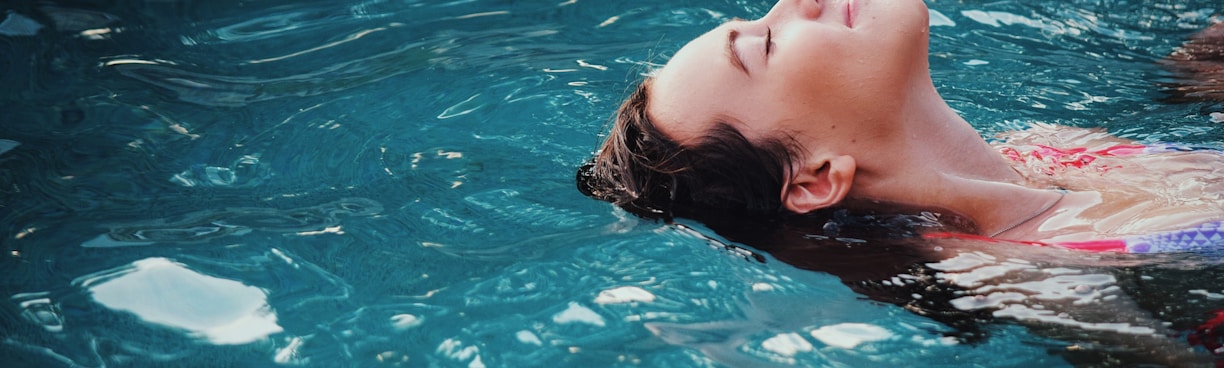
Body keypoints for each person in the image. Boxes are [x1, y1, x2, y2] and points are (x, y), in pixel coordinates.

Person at [577, 0, 1224, 251]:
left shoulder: (1050, 150)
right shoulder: (1015, 268)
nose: (799, 2)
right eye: (766, 45)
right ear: (814, 179)